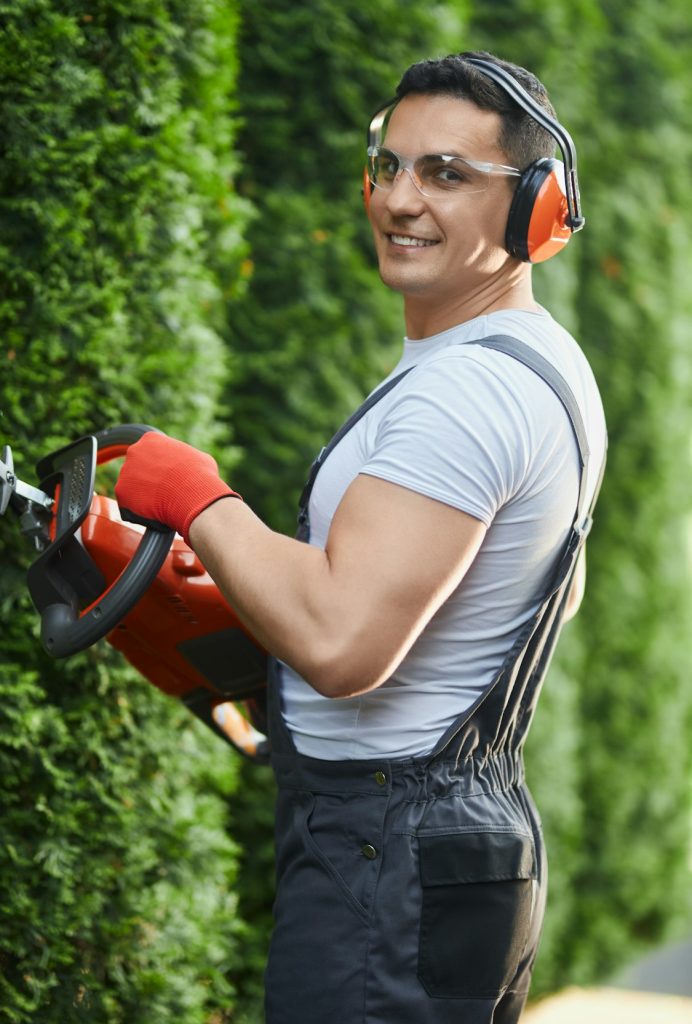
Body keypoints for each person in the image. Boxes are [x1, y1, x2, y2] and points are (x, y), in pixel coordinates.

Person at [115, 51, 606, 1024]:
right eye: (389, 166)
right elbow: (513, 596)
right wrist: (235, 599)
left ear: (536, 212)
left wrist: (199, 500)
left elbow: (342, 642)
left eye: (447, 174)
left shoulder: (467, 393)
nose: (399, 198)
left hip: (383, 860)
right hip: (451, 842)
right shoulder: (536, 360)